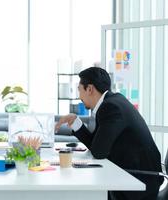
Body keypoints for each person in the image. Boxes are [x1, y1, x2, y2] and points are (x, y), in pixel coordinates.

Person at [55, 67, 163, 200]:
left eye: (79, 89)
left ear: (89, 89)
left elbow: (98, 152)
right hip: (133, 174)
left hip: (139, 181)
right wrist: (76, 122)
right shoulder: (111, 102)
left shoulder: (110, 107)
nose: (79, 95)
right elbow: (97, 145)